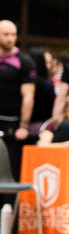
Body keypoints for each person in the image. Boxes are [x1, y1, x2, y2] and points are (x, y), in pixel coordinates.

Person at [0, 20, 36, 188]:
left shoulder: (24, 61)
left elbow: (28, 96)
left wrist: (23, 125)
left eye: (13, 34)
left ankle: (7, 209)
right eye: (6, 34)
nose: (10, 38)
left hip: (12, 122)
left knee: (10, 169)